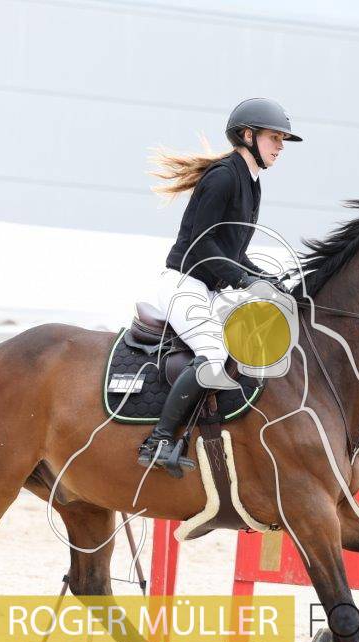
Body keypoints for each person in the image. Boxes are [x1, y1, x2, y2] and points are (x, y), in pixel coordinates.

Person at [138, 97, 303, 477]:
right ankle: (158, 441)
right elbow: (203, 245)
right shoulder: (224, 177)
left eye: (282, 140)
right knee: (213, 354)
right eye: (274, 137)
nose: (280, 146)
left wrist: (268, 280)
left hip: (210, 289)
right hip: (183, 283)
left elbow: (235, 252)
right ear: (247, 135)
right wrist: (245, 280)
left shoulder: (252, 183)